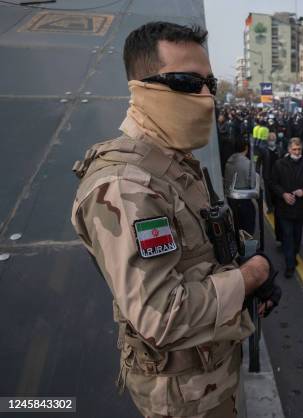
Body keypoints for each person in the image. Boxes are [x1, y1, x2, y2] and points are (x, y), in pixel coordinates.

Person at [70, 22, 280, 418]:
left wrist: (246, 275)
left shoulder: (175, 165)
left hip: (213, 374)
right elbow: (161, 315)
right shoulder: (125, 186)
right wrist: (251, 274)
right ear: (141, 88)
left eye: (209, 84)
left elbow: (202, 250)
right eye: (186, 82)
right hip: (184, 397)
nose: (205, 97)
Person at [270, 138, 303, 278]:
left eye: (299, 149)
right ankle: (289, 265)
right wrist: (283, 194)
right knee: (288, 235)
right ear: (289, 149)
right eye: (295, 149)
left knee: (297, 235)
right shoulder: (279, 164)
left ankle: (293, 254)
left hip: (301, 207)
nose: (297, 152)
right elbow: (273, 183)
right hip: (284, 207)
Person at [224, 138, 256, 234]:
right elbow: (252, 184)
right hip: (243, 199)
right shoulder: (247, 163)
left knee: (236, 226)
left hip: (230, 199)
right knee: (247, 228)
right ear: (246, 148)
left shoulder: (228, 161)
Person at [260, 132, 280, 214]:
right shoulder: (263, 149)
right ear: (267, 140)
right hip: (267, 174)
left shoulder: (279, 148)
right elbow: (258, 162)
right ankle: (270, 207)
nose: (272, 141)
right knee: (268, 192)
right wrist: (257, 173)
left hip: (278, 174)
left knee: (277, 190)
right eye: (270, 139)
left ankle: (277, 205)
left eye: (273, 139)